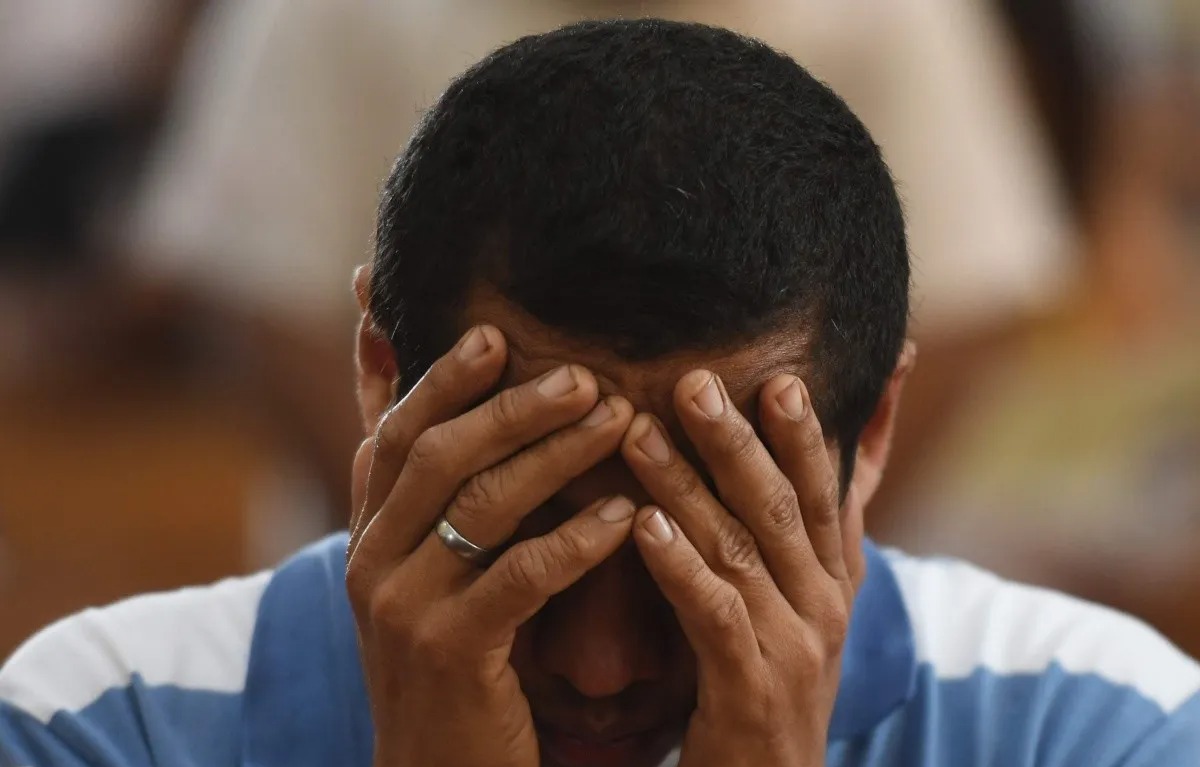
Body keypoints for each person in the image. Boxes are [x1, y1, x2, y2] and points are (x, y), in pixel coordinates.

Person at [2, 20, 1195, 767]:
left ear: (870, 430)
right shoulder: (100, 738)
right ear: (381, 382)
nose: (601, 666)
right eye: (528, 527)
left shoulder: (1102, 740)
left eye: (704, 542)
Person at [122, 0, 1075, 528]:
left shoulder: (896, 17)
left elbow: (967, 305)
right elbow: (259, 296)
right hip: (370, 623)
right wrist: (430, 541)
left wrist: (792, 552)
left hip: (807, 638)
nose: (604, 659)